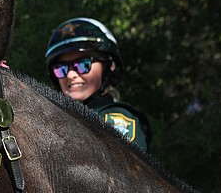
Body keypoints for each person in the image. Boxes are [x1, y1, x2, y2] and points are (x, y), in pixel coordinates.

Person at [45, 17, 151, 151]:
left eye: (83, 64)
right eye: (61, 68)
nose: (70, 75)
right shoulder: (52, 122)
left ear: (108, 66)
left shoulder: (115, 120)